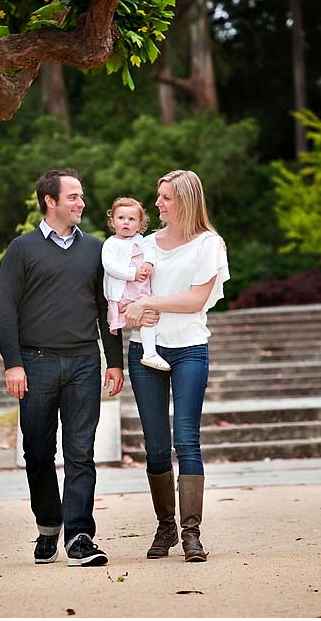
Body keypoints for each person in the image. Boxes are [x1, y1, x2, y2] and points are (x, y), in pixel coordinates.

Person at [0, 169, 125, 567]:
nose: (81, 203)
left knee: (81, 453)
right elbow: (5, 310)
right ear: (50, 201)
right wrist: (13, 363)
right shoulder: (22, 249)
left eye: (81, 196)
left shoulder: (97, 250)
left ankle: (80, 536)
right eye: (73, 197)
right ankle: (49, 527)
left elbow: (107, 309)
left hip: (85, 361)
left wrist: (115, 361)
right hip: (35, 364)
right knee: (37, 451)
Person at [122, 169, 229, 563]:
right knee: (155, 446)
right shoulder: (143, 245)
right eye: (158, 196)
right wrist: (133, 312)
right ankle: (165, 526)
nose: (157, 204)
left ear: (184, 200)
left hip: (189, 349)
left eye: (165, 197)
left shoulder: (208, 245)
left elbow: (196, 300)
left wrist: (150, 304)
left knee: (187, 440)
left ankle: (191, 533)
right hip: (144, 352)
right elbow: (127, 297)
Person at [102, 197, 170, 371]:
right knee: (143, 315)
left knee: (148, 313)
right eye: (121, 218)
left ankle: (149, 352)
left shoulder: (142, 240)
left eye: (132, 219)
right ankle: (150, 352)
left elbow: (151, 253)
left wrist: (148, 264)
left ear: (140, 224)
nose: (126, 222)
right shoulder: (111, 244)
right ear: (112, 222)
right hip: (124, 291)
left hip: (141, 289)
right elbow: (110, 266)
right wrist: (133, 273)